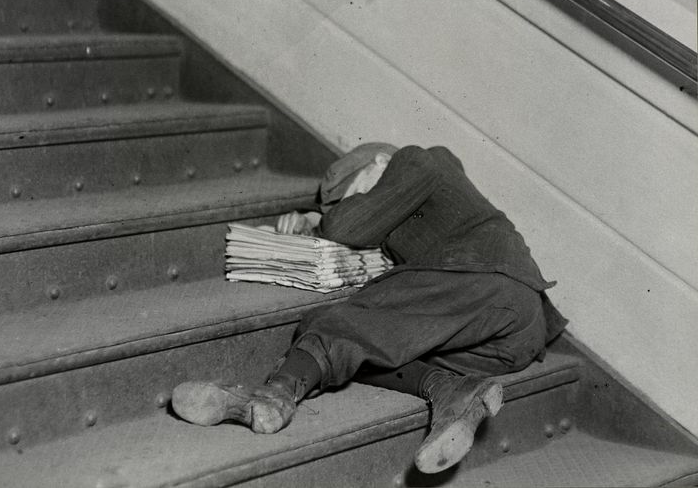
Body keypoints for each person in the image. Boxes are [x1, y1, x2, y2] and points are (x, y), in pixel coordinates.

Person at [172, 143, 567, 473]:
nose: (355, 203)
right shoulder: (436, 205)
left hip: (486, 281)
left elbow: (347, 227)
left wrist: (316, 221)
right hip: (509, 340)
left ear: (379, 164)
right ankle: (450, 391)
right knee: (377, 350)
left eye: (354, 193)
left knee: (338, 325)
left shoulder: (417, 159)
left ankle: (272, 395)